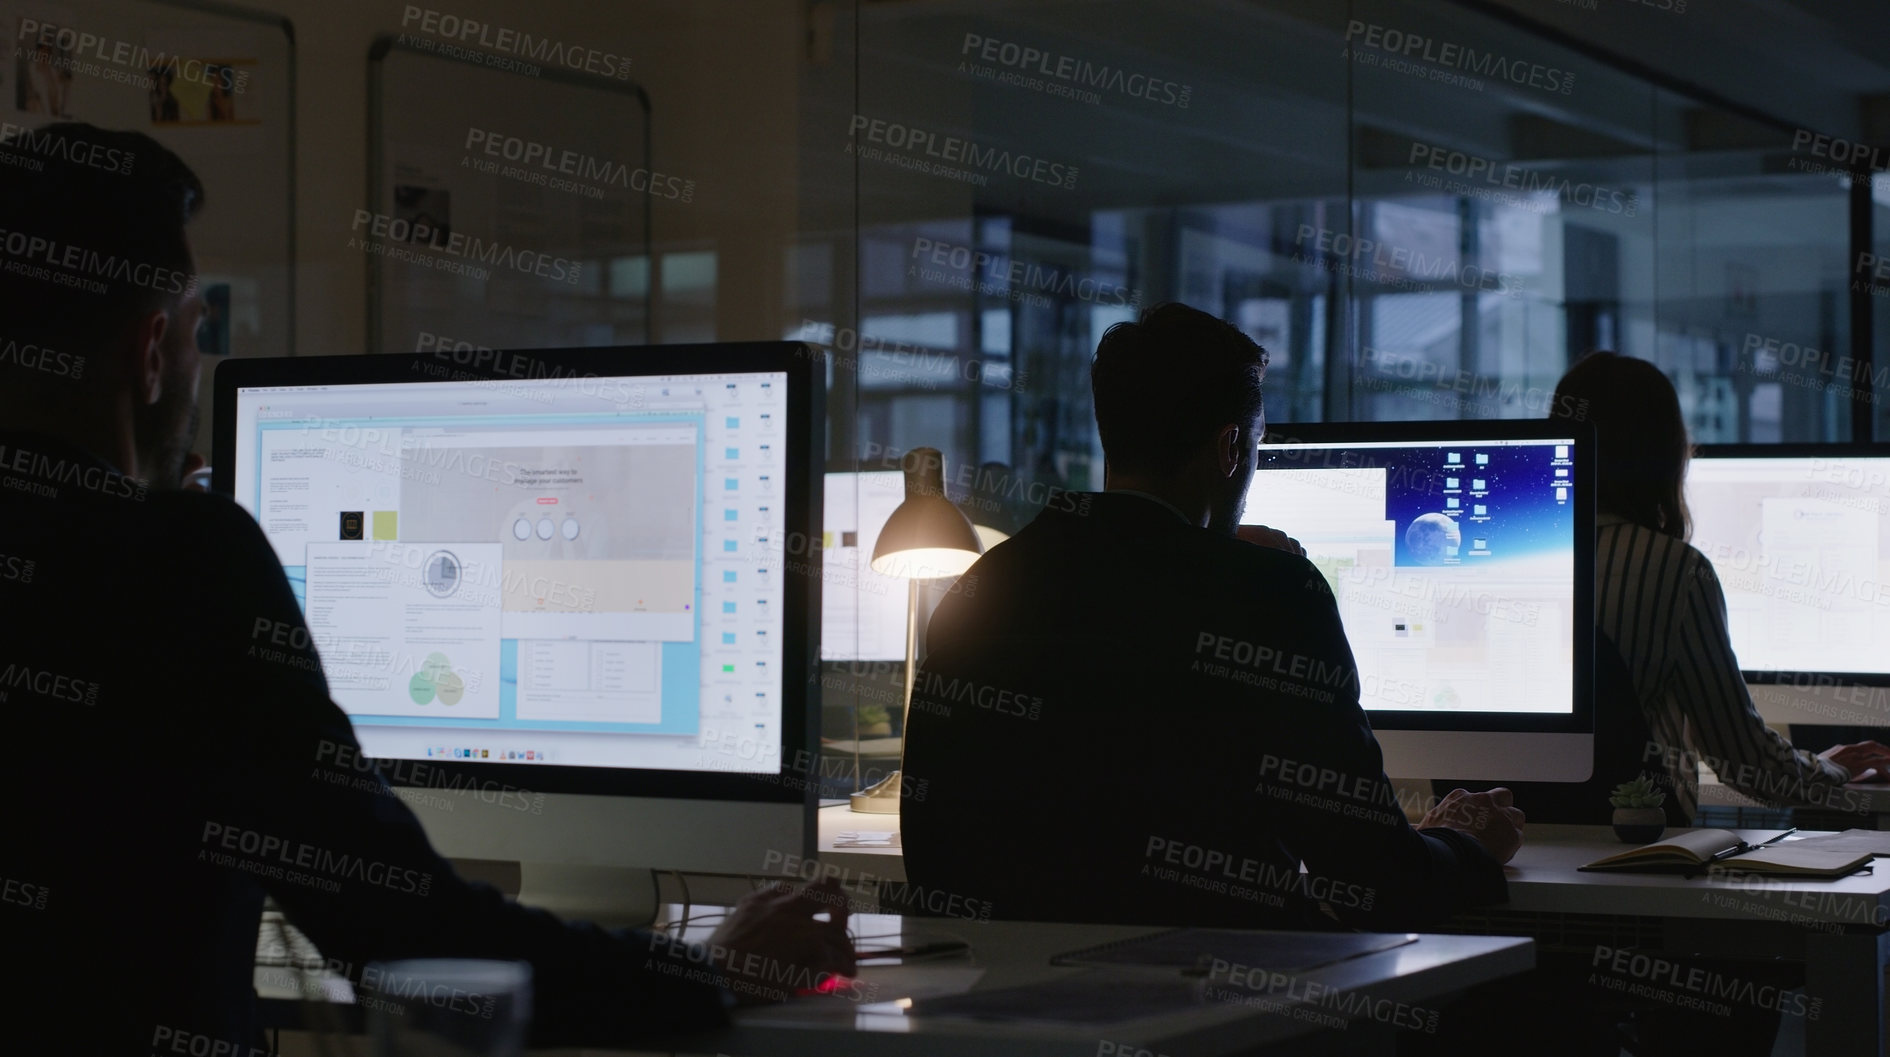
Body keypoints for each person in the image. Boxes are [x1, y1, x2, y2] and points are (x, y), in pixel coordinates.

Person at [0, 123, 852, 1056]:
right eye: (203, 329)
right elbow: (403, 929)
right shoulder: (176, 562)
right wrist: (709, 972)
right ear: (151, 348)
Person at [900, 302, 1522, 932]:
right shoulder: (1271, 596)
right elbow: (1378, 879)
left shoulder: (980, 586)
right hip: (1225, 1006)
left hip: (1008, 1003)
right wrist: (1466, 843)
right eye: (1254, 447)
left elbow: (934, 858)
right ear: (1230, 447)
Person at [1549, 352, 1890, 821]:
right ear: (1666, 454)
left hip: (1510, 842)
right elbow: (1743, 762)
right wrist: (1829, 768)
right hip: (1635, 846)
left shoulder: (1518, 551)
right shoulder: (1675, 569)